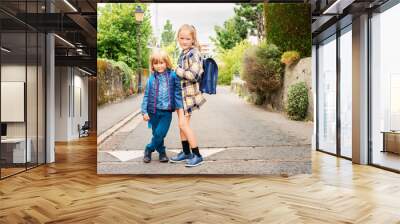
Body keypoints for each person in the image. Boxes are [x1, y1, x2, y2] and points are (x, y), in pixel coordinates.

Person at [169, 24, 206, 167]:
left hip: (188, 96)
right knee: (181, 126)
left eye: (187, 38)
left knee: (183, 125)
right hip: (180, 95)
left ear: (193, 39)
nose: (184, 41)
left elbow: (194, 75)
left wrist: (177, 70)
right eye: (181, 38)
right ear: (178, 38)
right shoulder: (183, 53)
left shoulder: (194, 53)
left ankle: (197, 154)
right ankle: (186, 153)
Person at [141, 49, 183, 163]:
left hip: (166, 112)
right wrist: (144, 112)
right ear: (152, 65)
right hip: (153, 111)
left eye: (161, 63)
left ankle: (149, 148)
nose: (159, 66)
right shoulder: (151, 79)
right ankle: (162, 152)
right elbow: (146, 96)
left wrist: (180, 107)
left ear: (166, 63)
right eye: (156, 63)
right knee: (156, 134)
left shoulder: (173, 76)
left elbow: (178, 92)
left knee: (161, 133)